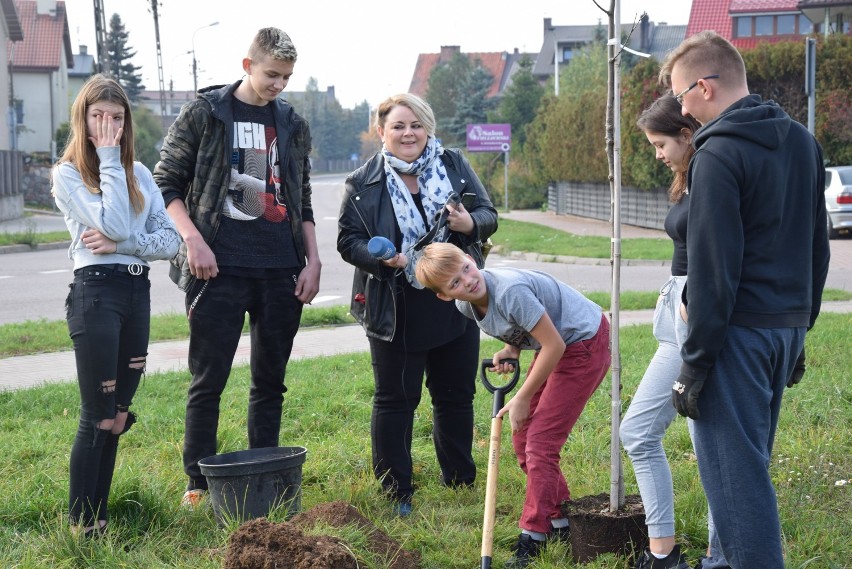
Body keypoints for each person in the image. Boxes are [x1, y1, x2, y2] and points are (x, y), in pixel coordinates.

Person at [659, 31, 830, 568]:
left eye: (681, 97)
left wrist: (695, 365)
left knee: (738, 488)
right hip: (783, 329)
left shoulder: (718, 154)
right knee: (746, 471)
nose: (681, 110)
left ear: (704, 87)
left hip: (734, 337)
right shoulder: (803, 141)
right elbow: (816, 247)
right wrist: (800, 331)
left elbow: (713, 270)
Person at [153, 27, 321, 506]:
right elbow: (167, 184)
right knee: (208, 381)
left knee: (270, 383)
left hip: (280, 270)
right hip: (216, 270)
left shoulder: (291, 123)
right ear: (248, 66)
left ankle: (264, 478)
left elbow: (301, 197)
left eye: (287, 77)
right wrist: (193, 242)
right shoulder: (205, 113)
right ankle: (198, 487)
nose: (279, 85)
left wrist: (312, 260)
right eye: (272, 75)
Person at [337, 93, 498, 516]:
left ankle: (460, 482)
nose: (408, 134)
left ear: (428, 128)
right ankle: (396, 492)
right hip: (395, 305)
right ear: (381, 132)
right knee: (395, 400)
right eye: (398, 126)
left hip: (455, 298)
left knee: (456, 396)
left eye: (416, 125)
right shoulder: (362, 182)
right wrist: (379, 258)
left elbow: (488, 213)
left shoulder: (454, 164)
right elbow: (347, 241)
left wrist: (470, 222)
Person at [416, 242, 611, 568]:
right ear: (445, 296)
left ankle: (534, 534)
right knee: (523, 439)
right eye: (454, 283)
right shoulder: (467, 306)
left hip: (583, 342)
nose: (467, 281)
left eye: (466, 268)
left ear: (469, 258)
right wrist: (512, 348)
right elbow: (518, 323)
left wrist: (521, 397)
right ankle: (559, 519)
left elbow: (554, 344)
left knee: (540, 443)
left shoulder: (509, 291)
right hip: (558, 344)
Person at [51, 74, 180, 535]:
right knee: (98, 413)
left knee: (120, 415)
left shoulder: (141, 173)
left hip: (135, 291)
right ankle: (82, 525)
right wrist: (107, 157)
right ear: (83, 120)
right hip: (96, 293)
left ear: (126, 123)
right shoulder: (67, 174)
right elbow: (116, 219)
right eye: (99, 116)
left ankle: (99, 516)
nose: (109, 126)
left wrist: (129, 243)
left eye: (117, 118)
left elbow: (168, 241)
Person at [620, 95, 729, 569]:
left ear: (687, 135)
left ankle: (690, 555)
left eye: (661, 143)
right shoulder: (690, 176)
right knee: (697, 439)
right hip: (678, 311)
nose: (658, 154)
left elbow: (722, 247)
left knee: (648, 433)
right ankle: (685, 553)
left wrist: (694, 297)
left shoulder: (711, 169)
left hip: (695, 313)